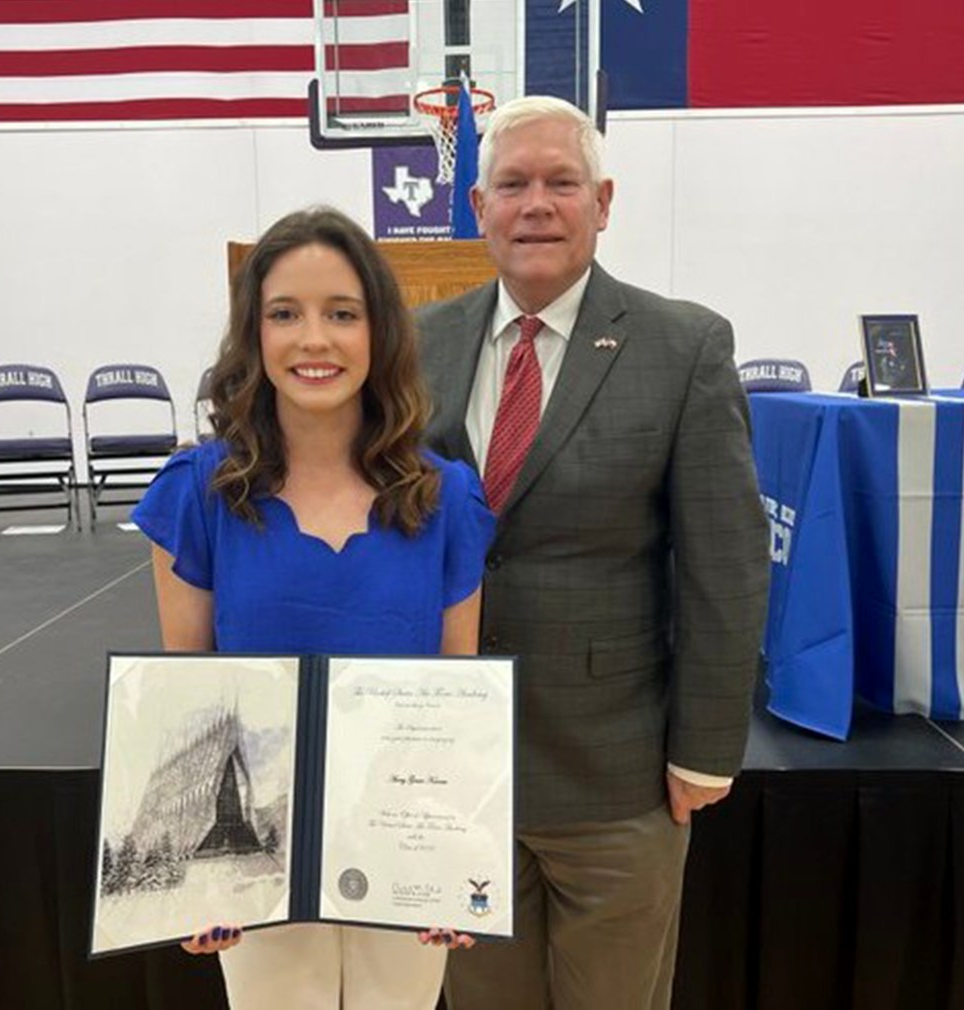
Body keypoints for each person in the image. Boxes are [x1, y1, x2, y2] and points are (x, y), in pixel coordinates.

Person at [416, 96, 770, 1010]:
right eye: (513, 185)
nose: (537, 204)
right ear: (478, 207)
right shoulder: (422, 343)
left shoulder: (683, 345)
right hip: (455, 774)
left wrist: (706, 748)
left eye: (561, 183)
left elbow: (725, 565)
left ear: (603, 202)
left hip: (617, 776)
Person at [131, 206, 494, 1010]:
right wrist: (192, 877)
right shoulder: (198, 494)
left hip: (400, 853)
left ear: (379, 333)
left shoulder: (446, 500)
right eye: (284, 314)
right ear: (253, 334)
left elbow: (457, 693)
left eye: (342, 314)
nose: (314, 340)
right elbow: (187, 699)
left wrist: (454, 856)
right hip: (256, 865)